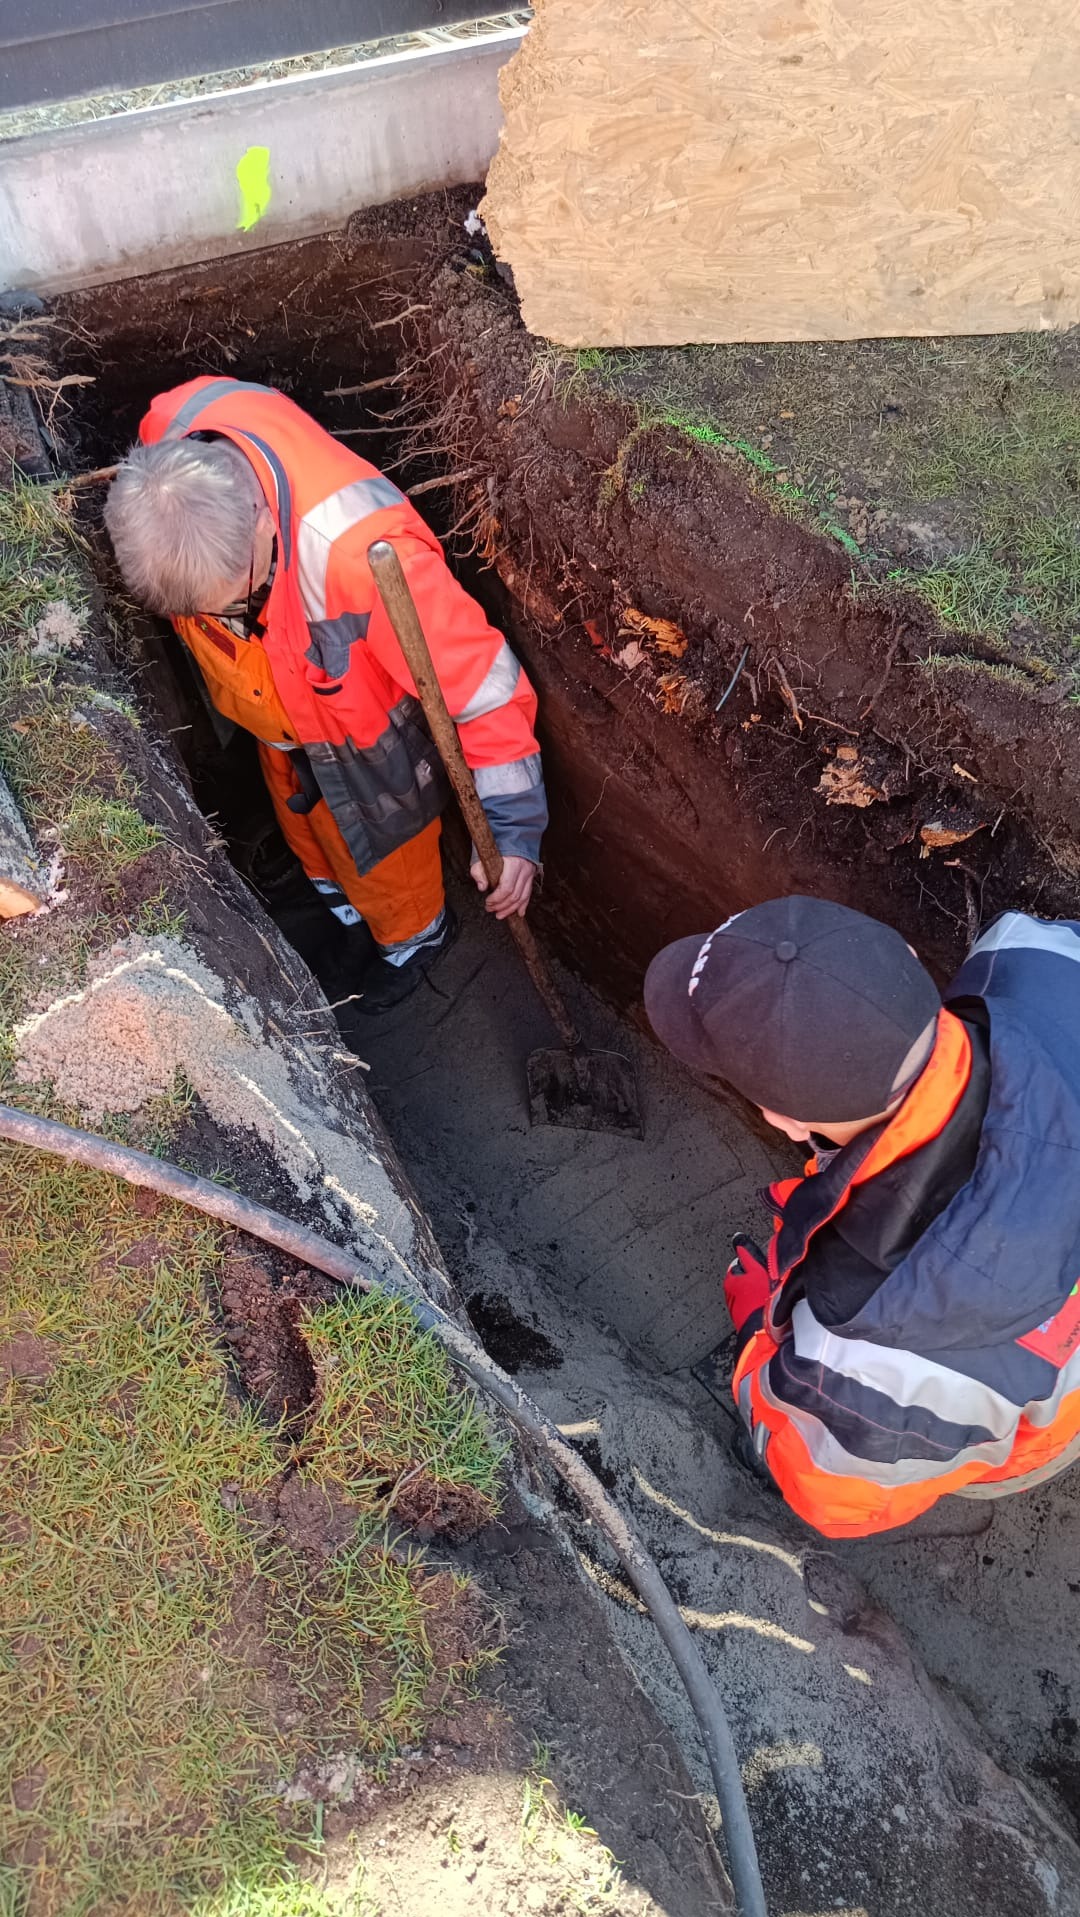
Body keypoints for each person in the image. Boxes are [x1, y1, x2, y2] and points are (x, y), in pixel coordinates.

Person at [104, 375, 547, 1012]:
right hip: (279, 724)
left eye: (237, 598)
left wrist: (513, 832)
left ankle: (414, 942)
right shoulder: (168, 451)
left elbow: (483, 692)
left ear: (262, 523)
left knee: (386, 866)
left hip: (365, 744)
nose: (227, 614)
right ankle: (344, 917)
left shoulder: (362, 558)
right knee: (308, 833)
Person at [644, 897, 1080, 1538]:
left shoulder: (866, 1359)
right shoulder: (1032, 956)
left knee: (793, 1443)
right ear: (905, 959)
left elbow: (838, 1502)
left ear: (784, 1121)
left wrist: (757, 1338)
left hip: (1036, 1423)